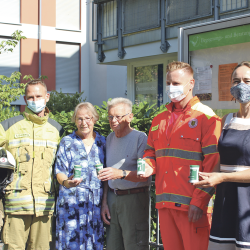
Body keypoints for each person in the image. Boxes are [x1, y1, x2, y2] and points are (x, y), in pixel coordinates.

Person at [142, 61, 221, 250]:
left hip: (193, 206)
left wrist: (199, 201)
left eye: (176, 83)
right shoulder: (159, 119)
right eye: (169, 82)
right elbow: (151, 152)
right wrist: (147, 165)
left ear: (191, 84)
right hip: (165, 204)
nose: (171, 87)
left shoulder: (207, 117)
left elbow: (213, 164)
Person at [0, 79, 64, 250]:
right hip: (15, 205)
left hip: (44, 206)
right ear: (24, 98)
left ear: (47, 97)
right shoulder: (7, 126)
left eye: (38, 96)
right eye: (30, 97)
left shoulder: (57, 130)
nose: (35, 101)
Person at [194, 61, 250, 250]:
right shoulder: (227, 120)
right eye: (236, 81)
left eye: (247, 80)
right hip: (226, 200)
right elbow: (221, 159)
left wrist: (222, 177)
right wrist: (208, 177)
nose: (241, 85)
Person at [98, 97, 151, 250]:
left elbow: (144, 173)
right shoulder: (109, 138)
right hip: (112, 198)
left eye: (118, 116)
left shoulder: (140, 138)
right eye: (110, 116)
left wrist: (120, 173)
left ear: (130, 117)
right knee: (113, 246)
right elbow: (108, 175)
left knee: (135, 246)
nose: (114, 120)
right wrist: (105, 203)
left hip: (134, 198)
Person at [55, 102, 106, 250]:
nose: (84, 123)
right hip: (71, 204)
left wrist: (104, 203)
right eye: (79, 119)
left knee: (94, 244)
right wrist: (66, 182)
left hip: (94, 206)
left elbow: (107, 178)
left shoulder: (103, 142)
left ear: (95, 119)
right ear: (75, 120)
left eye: (88, 118)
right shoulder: (67, 142)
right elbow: (59, 170)